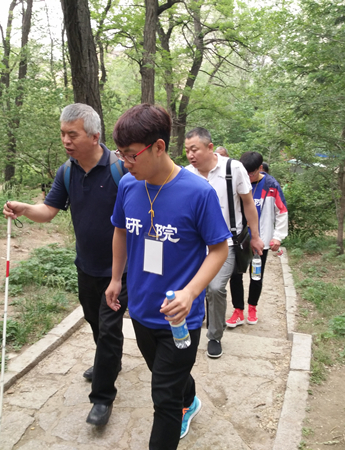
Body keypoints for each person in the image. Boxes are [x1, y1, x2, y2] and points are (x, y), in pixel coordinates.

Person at [105, 104, 230, 449]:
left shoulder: (198, 193)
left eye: (131, 155)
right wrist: (116, 279)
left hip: (180, 318)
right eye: (121, 155)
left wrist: (191, 293)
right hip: (142, 310)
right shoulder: (130, 185)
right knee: (168, 377)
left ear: (159, 147)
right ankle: (188, 396)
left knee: (164, 400)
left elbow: (220, 249)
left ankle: (179, 404)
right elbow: (120, 230)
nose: (125, 163)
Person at [3, 103, 128, 427]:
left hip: (119, 270)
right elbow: (48, 210)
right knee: (94, 320)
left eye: (72, 134)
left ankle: (102, 397)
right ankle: (108, 362)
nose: (66, 140)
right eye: (62, 134)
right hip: (85, 265)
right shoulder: (67, 171)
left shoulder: (120, 170)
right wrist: (24, 208)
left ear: (94, 135)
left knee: (110, 328)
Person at [184, 128, 263, 358]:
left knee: (215, 287)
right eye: (187, 150)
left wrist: (256, 236)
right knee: (191, 288)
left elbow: (248, 204)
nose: (190, 155)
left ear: (209, 147)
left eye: (194, 149)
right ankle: (190, 326)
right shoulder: (187, 174)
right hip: (196, 244)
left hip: (227, 242)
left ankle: (214, 335)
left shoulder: (233, 168)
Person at [228, 152, 288, 326]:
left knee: (256, 275)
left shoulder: (271, 185)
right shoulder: (236, 182)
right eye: (244, 173)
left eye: (251, 173)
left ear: (260, 168)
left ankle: (252, 307)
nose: (247, 177)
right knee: (235, 275)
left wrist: (277, 236)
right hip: (239, 238)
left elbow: (282, 211)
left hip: (261, 239)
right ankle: (238, 310)